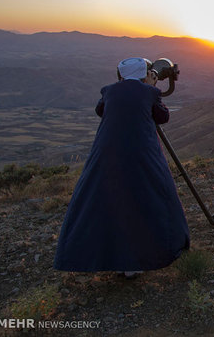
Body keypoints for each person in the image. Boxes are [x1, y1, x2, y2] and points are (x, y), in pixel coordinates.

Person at [54, 57, 190, 275]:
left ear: (121, 75)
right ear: (145, 74)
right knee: (152, 193)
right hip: (141, 152)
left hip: (107, 153)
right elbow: (163, 117)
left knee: (107, 199)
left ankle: (108, 257)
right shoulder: (148, 92)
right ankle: (152, 252)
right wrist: (151, 88)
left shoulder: (109, 91)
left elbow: (101, 111)